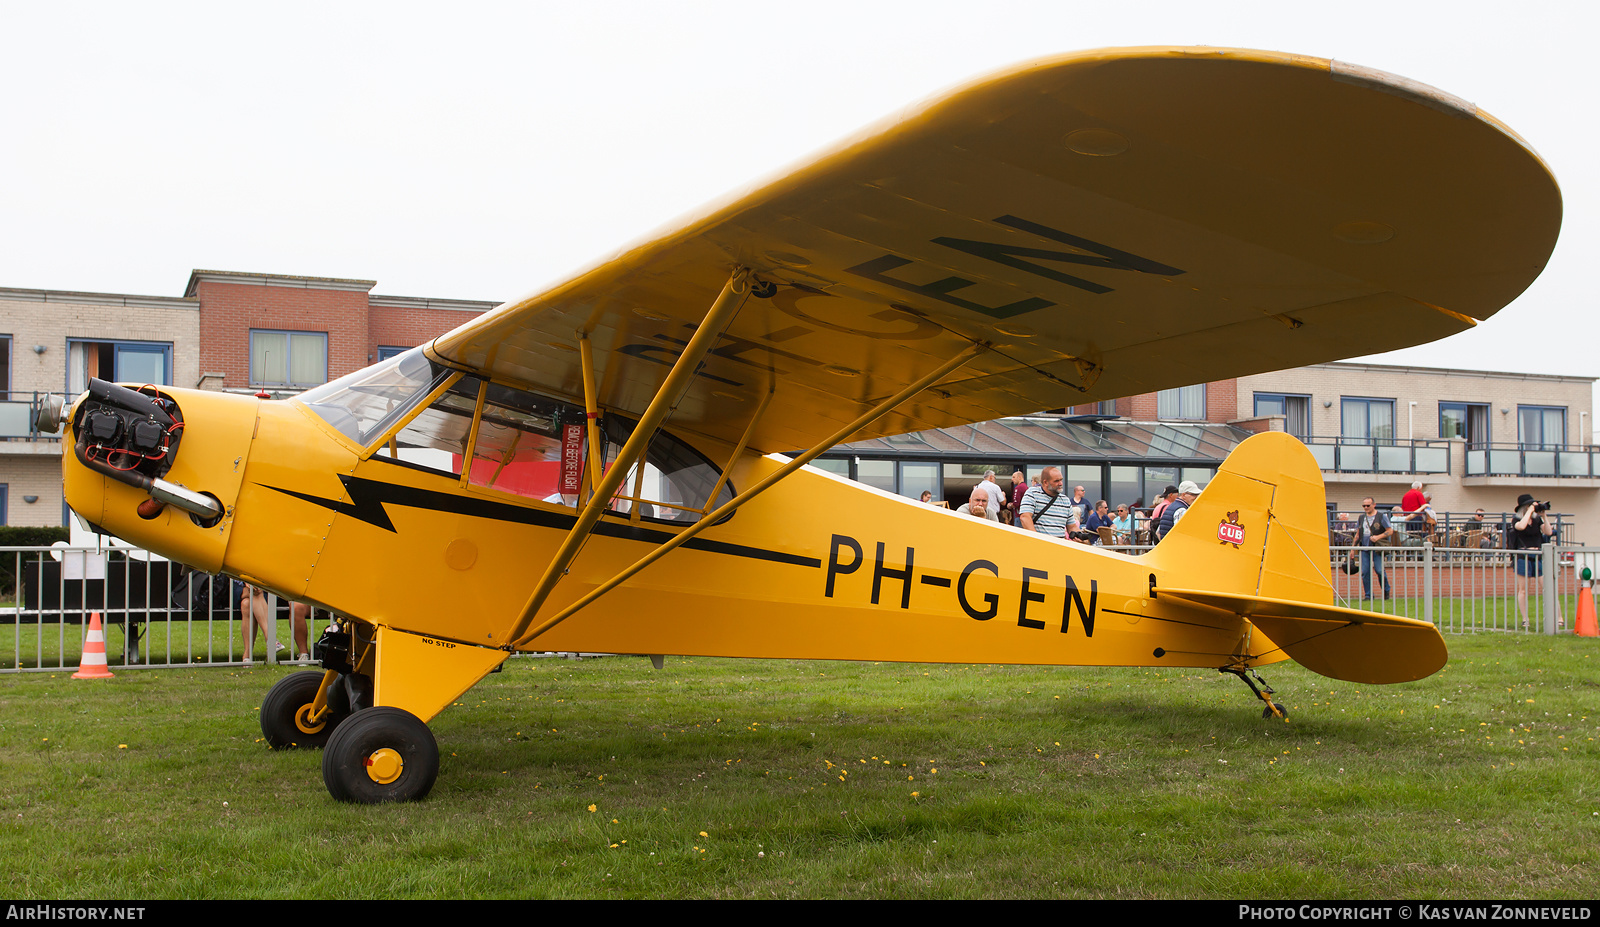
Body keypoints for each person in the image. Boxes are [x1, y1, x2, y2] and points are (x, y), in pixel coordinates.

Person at [1508, 493, 1555, 630]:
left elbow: (1548, 532)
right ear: (1524, 507)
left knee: (1547, 586)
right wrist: (1529, 511)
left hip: (1538, 556)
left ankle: (1558, 618)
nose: (1532, 507)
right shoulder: (1516, 520)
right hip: (1523, 556)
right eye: (1529, 505)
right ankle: (1525, 619)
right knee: (1523, 589)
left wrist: (1543, 515)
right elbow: (1521, 527)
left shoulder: (1536, 520)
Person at [1353, 497, 1395, 601]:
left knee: (1379, 570)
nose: (1366, 507)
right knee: (1365, 571)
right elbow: (1358, 534)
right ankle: (1368, 595)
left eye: (1368, 505)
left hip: (1377, 548)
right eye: (1364, 506)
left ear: (1374, 505)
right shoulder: (1361, 517)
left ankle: (1386, 590)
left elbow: (1390, 531)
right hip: (1364, 547)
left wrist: (1378, 537)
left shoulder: (1381, 516)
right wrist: (1352, 549)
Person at [1018, 466, 1077, 539]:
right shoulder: (1032, 493)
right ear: (1045, 482)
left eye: (1061, 480)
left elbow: (1072, 527)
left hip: (1059, 547)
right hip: (1039, 546)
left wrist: (1080, 536)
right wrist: (1037, 540)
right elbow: (1025, 518)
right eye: (1056, 481)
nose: (1060, 483)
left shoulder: (1065, 500)